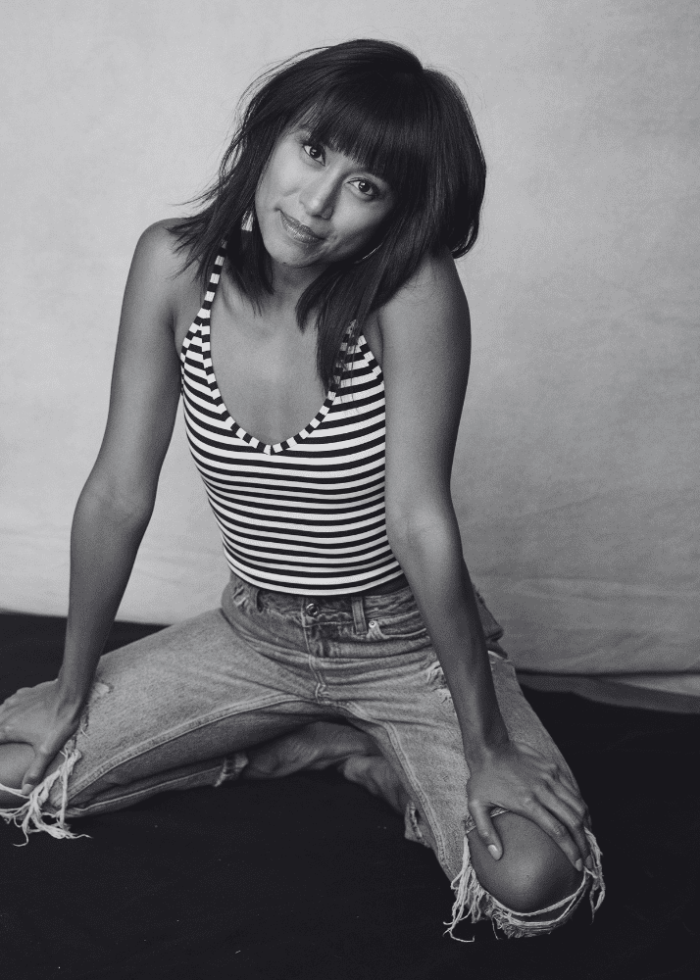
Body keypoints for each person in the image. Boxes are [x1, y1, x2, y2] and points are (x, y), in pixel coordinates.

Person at [0, 39, 603, 939]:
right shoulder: (171, 265)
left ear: (397, 214)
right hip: (256, 632)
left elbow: (420, 519)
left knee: (532, 884)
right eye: (313, 151)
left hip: (405, 646)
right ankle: (302, 742)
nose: (317, 203)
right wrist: (72, 687)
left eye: (366, 187)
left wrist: (488, 749)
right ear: (270, 133)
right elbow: (118, 493)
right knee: (14, 766)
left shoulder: (414, 294)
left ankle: (371, 745)